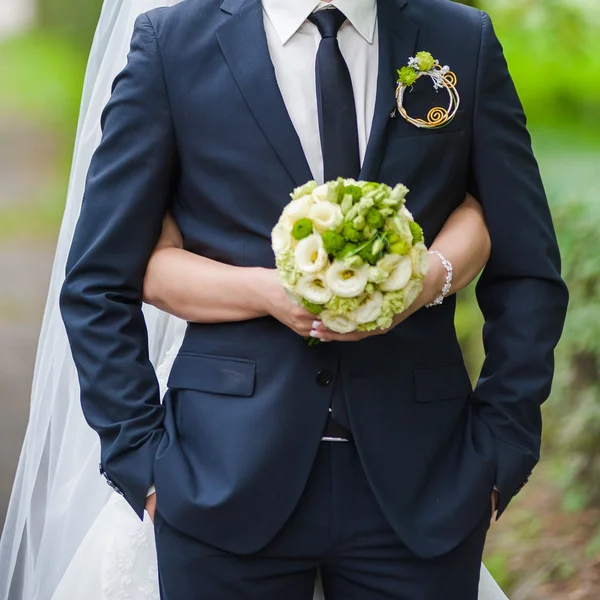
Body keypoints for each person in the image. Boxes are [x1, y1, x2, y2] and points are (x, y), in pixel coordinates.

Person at [0, 0, 568, 598]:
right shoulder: (173, 45)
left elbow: (527, 266)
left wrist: (501, 451)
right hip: (220, 478)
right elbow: (97, 283)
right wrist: (143, 462)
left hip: (425, 479)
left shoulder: (460, 39)